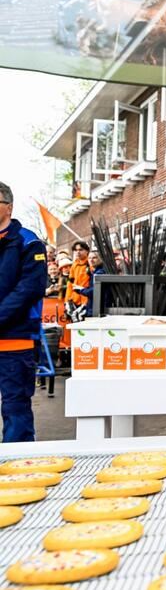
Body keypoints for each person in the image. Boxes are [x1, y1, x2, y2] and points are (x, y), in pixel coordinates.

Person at [0, 181, 48, 442]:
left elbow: (29, 289)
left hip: (14, 342)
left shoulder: (28, 243)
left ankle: (17, 468)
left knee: (15, 406)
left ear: (8, 207)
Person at [64, 241, 92, 321]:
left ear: (87, 251)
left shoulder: (90, 263)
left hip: (87, 301)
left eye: (80, 250)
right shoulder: (74, 265)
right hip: (74, 301)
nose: (78, 252)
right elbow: (70, 284)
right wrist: (67, 301)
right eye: (76, 250)